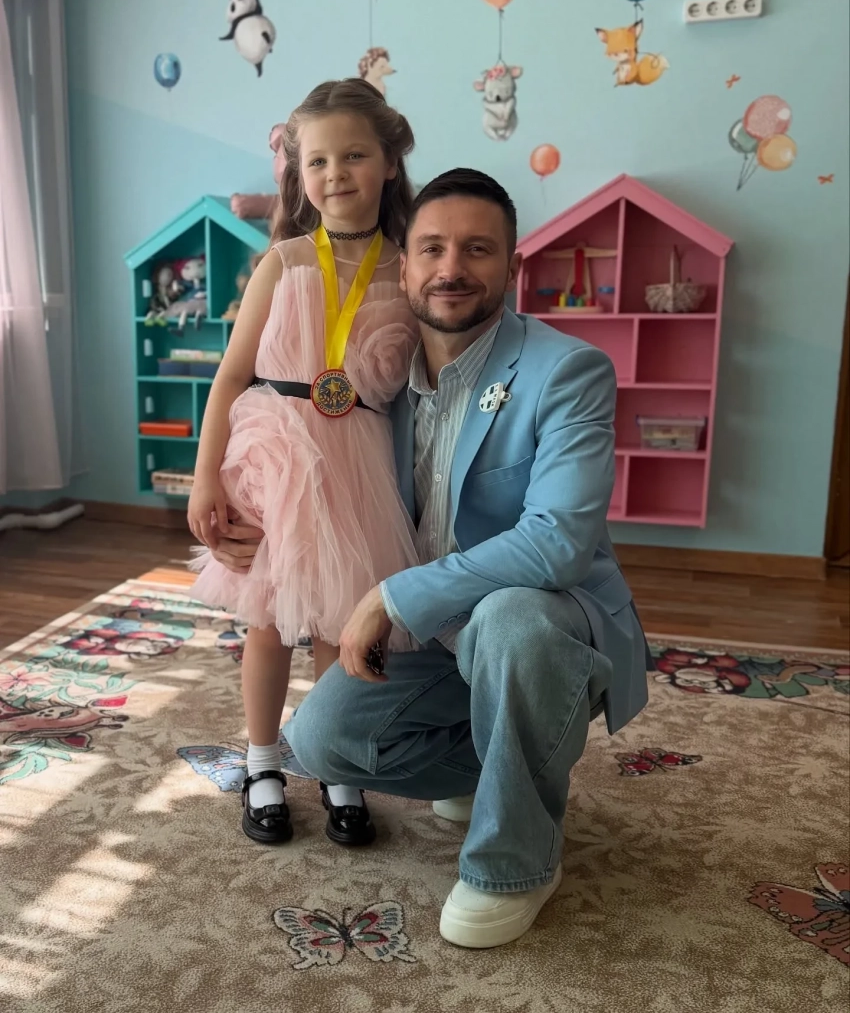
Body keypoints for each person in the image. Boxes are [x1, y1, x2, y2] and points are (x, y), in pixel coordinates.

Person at [210, 168, 651, 950]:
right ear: (404, 265)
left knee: (511, 621)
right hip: (437, 642)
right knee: (322, 742)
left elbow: (557, 542)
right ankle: (499, 761)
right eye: (433, 249)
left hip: (543, 630)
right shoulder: (378, 379)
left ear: (512, 266)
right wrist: (245, 515)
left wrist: (393, 596)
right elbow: (312, 458)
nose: (452, 268)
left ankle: (515, 863)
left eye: (478, 249)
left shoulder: (565, 370)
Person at [187, 79, 420, 848]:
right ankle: (262, 763)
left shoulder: (408, 268)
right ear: (298, 172)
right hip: (276, 455)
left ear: (390, 161)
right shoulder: (283, 262)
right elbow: (231, 376)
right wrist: (205, 477)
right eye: (316, 160)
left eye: (353, 155)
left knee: (339, 624)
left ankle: (333, 760)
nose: (334, 173)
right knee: (268, 621)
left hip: (357, 462)